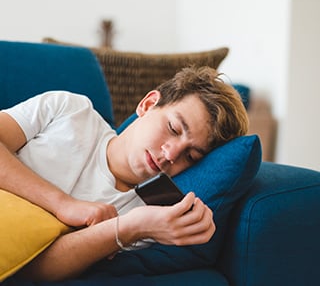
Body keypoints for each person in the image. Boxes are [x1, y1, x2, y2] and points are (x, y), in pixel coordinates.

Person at [0, 66, 248, 281]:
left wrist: (129, 227)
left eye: (191, 156)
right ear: (148, 104)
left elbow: (34, 270)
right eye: (173, 128)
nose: (171, 154)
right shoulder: (70, 110)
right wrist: (63, 204)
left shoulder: (148, 215)